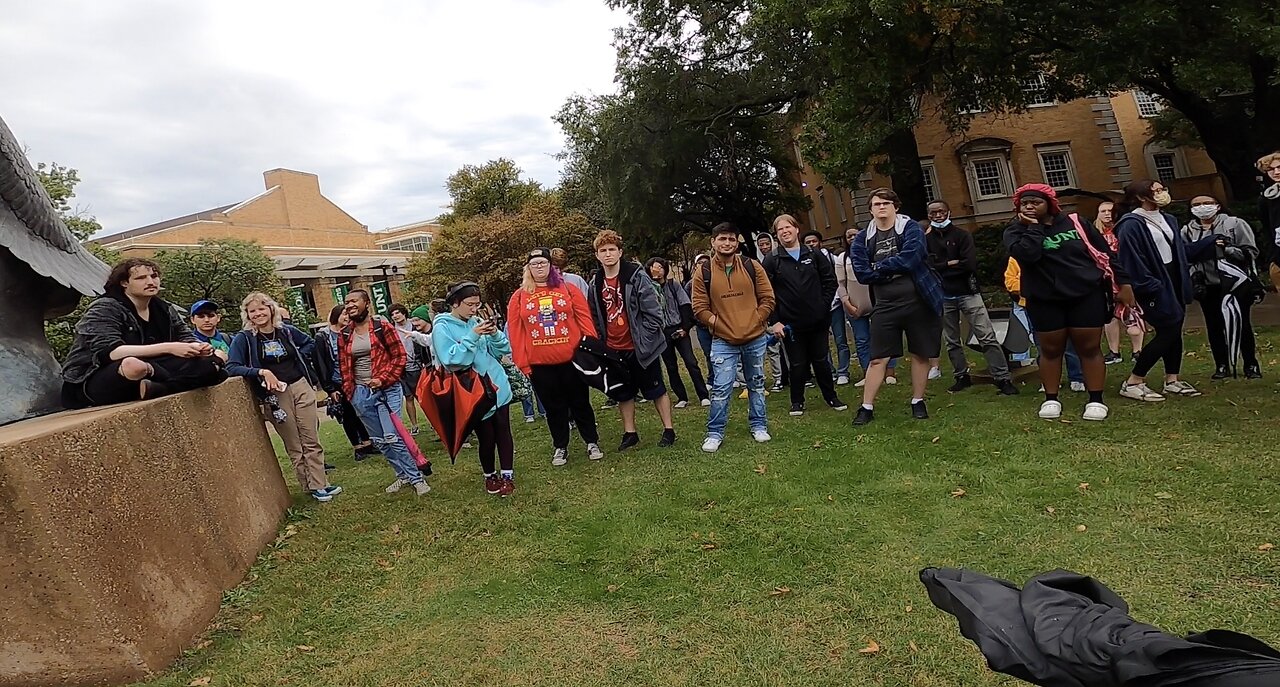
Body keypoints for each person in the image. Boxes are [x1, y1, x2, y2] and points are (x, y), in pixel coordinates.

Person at [1005, 183, 1129, 421]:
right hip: (1044, 299)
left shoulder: (1076, 223)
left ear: (1050, 204)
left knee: (1089, 347)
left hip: (1085, 294)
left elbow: (1106, 253)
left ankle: (1096, 399)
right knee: (1050, 350)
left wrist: (1124, 284)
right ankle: (1051, 398)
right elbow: (1028, 255)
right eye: (1024, 203)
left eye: (1036, 202)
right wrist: (1034, 228)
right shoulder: (1014, 231)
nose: (1029, 206)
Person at [61, 258, 227, 408]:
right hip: (96, 377)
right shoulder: (105, 308)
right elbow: (110, 352)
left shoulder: (164, 308)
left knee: (215, 359)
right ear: (124, 283)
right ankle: (161, 382)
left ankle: (160, 388)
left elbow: (185, 337)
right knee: (134, 366)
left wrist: (199, 347)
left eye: (154, 276)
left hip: (154, 368)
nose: (150, 282)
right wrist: (169, 347)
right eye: (141, 278)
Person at [226, 292, 340, 503]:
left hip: (300, 385)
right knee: (294, 442)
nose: (258, 313)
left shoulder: (285, 331)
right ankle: (309, 485)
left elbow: (309, 343)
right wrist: (261, 372)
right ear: (247, 315)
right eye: (253, 311)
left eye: (262, 308)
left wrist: (299, 355)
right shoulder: (245, 338)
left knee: (311, 438)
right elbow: (232, 366)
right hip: (275, 394)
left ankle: (320, 483)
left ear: (271, 309)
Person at [1114, 179, 1218, 401]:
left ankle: (1173, 379)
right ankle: (1134, 380)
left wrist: (1211, 242)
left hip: (1174, 280)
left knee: (1174, 329)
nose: (1162, 194)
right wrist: (1150, 285)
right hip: (1154, 284)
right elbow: (1131, 259)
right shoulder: (1131, 223)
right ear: (1142, 197)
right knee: (1168, 330)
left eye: (1163, 189)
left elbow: (1180, 251)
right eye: (1156, 191)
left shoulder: (1168, 219)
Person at [848, 189, 944, 425]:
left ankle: (918, 401)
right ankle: (866, 407)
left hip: (918, 301)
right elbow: (861, 272)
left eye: (886, 203)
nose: (881, 207)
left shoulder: (910, 228)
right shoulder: (863, 238)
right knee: (877, 358)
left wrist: (879, 268)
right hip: (885, 305)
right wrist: (892, 268)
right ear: (870, 209)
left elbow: (912, 257)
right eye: (876, 204)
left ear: (895, 206)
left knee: (921, 353)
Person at [507, 247, 604, 466]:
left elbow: (585, 321)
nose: (539, 267)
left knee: (580, 402)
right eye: (534, 264)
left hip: (571, 361)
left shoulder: (568, 289)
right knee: (553, 408)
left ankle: (591, 441)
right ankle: (560, 446)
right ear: (528, 268)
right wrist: (523, 363)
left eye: (543, 263)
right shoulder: (519, 297)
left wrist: (589, 351)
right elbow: (516, 332)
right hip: (540, 364)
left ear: (551, 266)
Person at [691, 222, 776, 452]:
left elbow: (767, 298)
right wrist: (718, 324)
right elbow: (699, 307)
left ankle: (759, 425)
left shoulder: (752, 266)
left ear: (737, 241)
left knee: (756, 383)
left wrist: (757, 319)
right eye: (722, 239)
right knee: (721, 387)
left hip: (755, 337)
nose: (727, 243)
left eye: (731, 239)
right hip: (722, 341)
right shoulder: (704, 271)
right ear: (713, 242)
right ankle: (715, 432)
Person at [586, 230, 676, 450]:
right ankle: (630, 432)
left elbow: (653, 309)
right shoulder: (595, 282)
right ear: (597, 255)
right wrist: (602, 342)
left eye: (611, 250)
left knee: (656, 389)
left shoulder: (634, 274)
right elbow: (595, 315)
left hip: (640, 345)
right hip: (614, 347)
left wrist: (644, 339)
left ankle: (668, 429)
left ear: (620, 252)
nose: (608, 254)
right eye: (603, 251)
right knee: (623, 392)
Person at [338, 289, 430, 496]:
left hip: (386, 389)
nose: (350, 305)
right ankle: (402, 475)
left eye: (354, 301)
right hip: (360, 393)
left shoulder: (382, 327)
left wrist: (383, 379)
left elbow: (399, 357)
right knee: (379, 440)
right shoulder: (345, 333)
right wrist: (350, 392)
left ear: (367, 303)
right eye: (347, 302)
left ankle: (417, 478)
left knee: (392, 436)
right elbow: (343, 365)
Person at [924, 201, 1019, 395]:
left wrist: (942, 266)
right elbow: (927, 267)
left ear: (949, 211)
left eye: (941, 211)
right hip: (943, 295)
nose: (938, 215)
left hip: (968, 292)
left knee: (987, 336)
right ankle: (961, 376)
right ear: (929, 216)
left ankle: (1002, 378)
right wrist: (949, 264)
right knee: (951, 340)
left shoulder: (962, 235)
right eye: (933, 213)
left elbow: (969, 265)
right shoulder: (925, 240)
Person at [435, 282, 516, 496]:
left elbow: (504, 349)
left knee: (504, 431)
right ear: (454, 303)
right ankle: (490, 476)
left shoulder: (477, 321)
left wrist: (495, 334)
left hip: (497, 386)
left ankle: (508, 475)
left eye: (477, 304)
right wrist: (472, 336)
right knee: (487, 437)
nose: (474, 309)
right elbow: (451, 360)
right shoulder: (442, 326)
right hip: (473, 393)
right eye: (469, 305)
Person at [764, 215, 847, 416]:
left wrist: (823, 306)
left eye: (788, 227)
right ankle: (797, 401)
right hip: (790, 325)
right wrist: (775, 321)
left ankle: (831, 397)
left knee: (821, 361)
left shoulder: (814, 254)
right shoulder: (772, 260)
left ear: (796, 229)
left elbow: (830, 282)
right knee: (798, 364)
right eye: (780, 230)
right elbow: (767, 293)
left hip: (817, 320)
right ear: (777, 235)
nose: (785, 232)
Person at [1182, 195, 1262, 379]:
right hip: (1207, 285)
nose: (1202, 207)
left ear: (1218, 206)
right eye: (1196, 204)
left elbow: (1250, 252)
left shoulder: (1234, 224)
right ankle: (1221, 365)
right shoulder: (1187, 230)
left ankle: (1251, 364)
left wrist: (1227, 248)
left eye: (1207, 203)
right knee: (1214, 326)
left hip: (1234, 283)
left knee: (1241, 324)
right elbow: (1185, 256)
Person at [1004, 257, 1086, 392]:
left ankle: (1077, 378)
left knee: (1070, 343)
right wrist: (1036, 285)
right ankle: (1049, 380)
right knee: (1042, 345)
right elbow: (1010, 282)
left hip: (1062, 303)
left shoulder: (1056, 254)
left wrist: (1033, 284)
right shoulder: (1016, 258)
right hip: (1034, 307)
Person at [835, 225, 899, 387]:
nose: (852, 238)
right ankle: (867, 373)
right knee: (862, 340)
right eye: (849, 235)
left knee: (885, 336)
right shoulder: (842, 258)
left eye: (856, 234)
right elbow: (840, 284)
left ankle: (890, 372)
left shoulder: (873, 253)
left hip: (877, 301)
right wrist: (847, 304)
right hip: (855, 305)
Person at [313, 305, 375, 459]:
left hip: (353, 379)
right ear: (335, 316)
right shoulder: (323, 336)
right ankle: (357, 446)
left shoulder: (349, 332)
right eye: (343, 314)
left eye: (348, 315)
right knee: (347, 414)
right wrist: (329, 388)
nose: (347, 317)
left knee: (359, 409)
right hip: (336, 381)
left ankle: (368, 442)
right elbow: (320, 363)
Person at [647, 257, 710, 408]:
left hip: (678, 328)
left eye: (660, 267)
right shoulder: (648, 289)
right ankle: (682, 397)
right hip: (662, 332)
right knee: (671, 366)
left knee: (691, 362)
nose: (657, 271)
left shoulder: (673, 285)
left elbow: (685, 305)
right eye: (654, 268)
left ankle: (703, 395)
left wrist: (685, 328)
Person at [1094, 202, 1146, 364]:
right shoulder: (1094, 234)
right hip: (1105, 279)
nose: (1107, 214)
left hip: (1127, 277)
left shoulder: (1124, 230)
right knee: (1110, 316)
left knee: (1132, 312)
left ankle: (1138, 351)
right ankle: (1113, 352)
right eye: (1103, 211)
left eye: (1110, 211)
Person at [803, 230, 852, 386]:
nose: (811, 244)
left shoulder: (833, 258)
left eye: (814, 241)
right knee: (822, 343)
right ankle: (829, 371)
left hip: (835, 304)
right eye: (808, 242)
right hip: (816, 308)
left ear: (820, 242)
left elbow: (838, 280)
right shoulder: (803, 261)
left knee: (840, 340)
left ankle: (843, 371)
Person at [389, 303, 430, 433]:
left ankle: (432, 421)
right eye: (392, 314)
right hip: (402, 368)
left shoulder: (415, 326)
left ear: (404, 313)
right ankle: (414, 425)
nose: (395, 316)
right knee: (408, 397)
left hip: (417, 366)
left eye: (397, 312)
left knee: (424, 396)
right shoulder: (391, 330)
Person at [1258, 151, 1280, 287]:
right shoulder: (1266, 199)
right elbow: (1268, 229)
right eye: (1271, 169)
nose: (1276, 172)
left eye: (1279, 167)